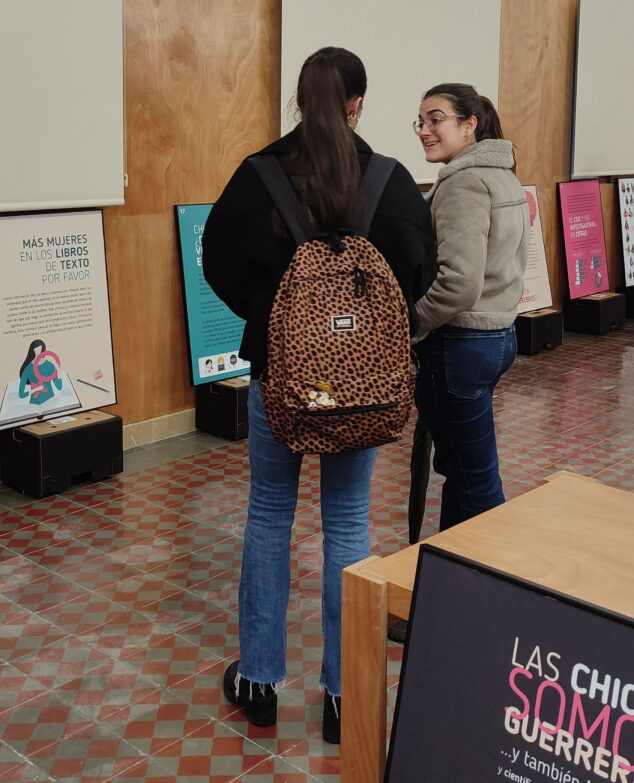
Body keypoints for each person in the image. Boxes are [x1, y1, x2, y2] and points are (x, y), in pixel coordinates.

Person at [202, 46, 435, 744]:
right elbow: (417, 270)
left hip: (282, 379)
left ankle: (260, 681)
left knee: (270, 515)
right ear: (357, 103)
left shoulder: (259, 176)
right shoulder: (389, 180)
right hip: (362, 391)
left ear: (301, 101)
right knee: (349, 524)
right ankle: (343, 693)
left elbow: (216, 257)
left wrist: (272, 315)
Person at [411, 83, 529, 532]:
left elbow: (458, 284)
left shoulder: (464, 182)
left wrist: (412, 325)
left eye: (436, 118)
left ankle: (492, 590)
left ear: (469, 124)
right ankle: (451, 579)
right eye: (420, 121)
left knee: (478, 485)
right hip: (497, 338)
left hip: (459, 345)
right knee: (462, 474)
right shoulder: (504, 175)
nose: (425, 130)